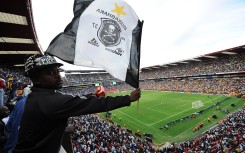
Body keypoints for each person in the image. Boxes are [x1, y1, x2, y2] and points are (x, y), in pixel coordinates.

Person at [13, 54, 141, 153]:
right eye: (50, 73)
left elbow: (72, 100)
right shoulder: (51, 101)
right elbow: (94, 104)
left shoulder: (38, 96)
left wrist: (92, 95)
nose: (58, 75)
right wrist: (128, 98)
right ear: (36, 79)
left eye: (57, 71)